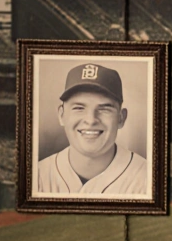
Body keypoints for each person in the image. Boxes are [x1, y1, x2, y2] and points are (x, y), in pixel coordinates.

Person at [35, 62, 148, 196]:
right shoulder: (37, 176)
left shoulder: (148, 179)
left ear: (121, 118)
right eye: (79, 108)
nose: (91, 120)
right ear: (61, 115)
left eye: (104, 109)